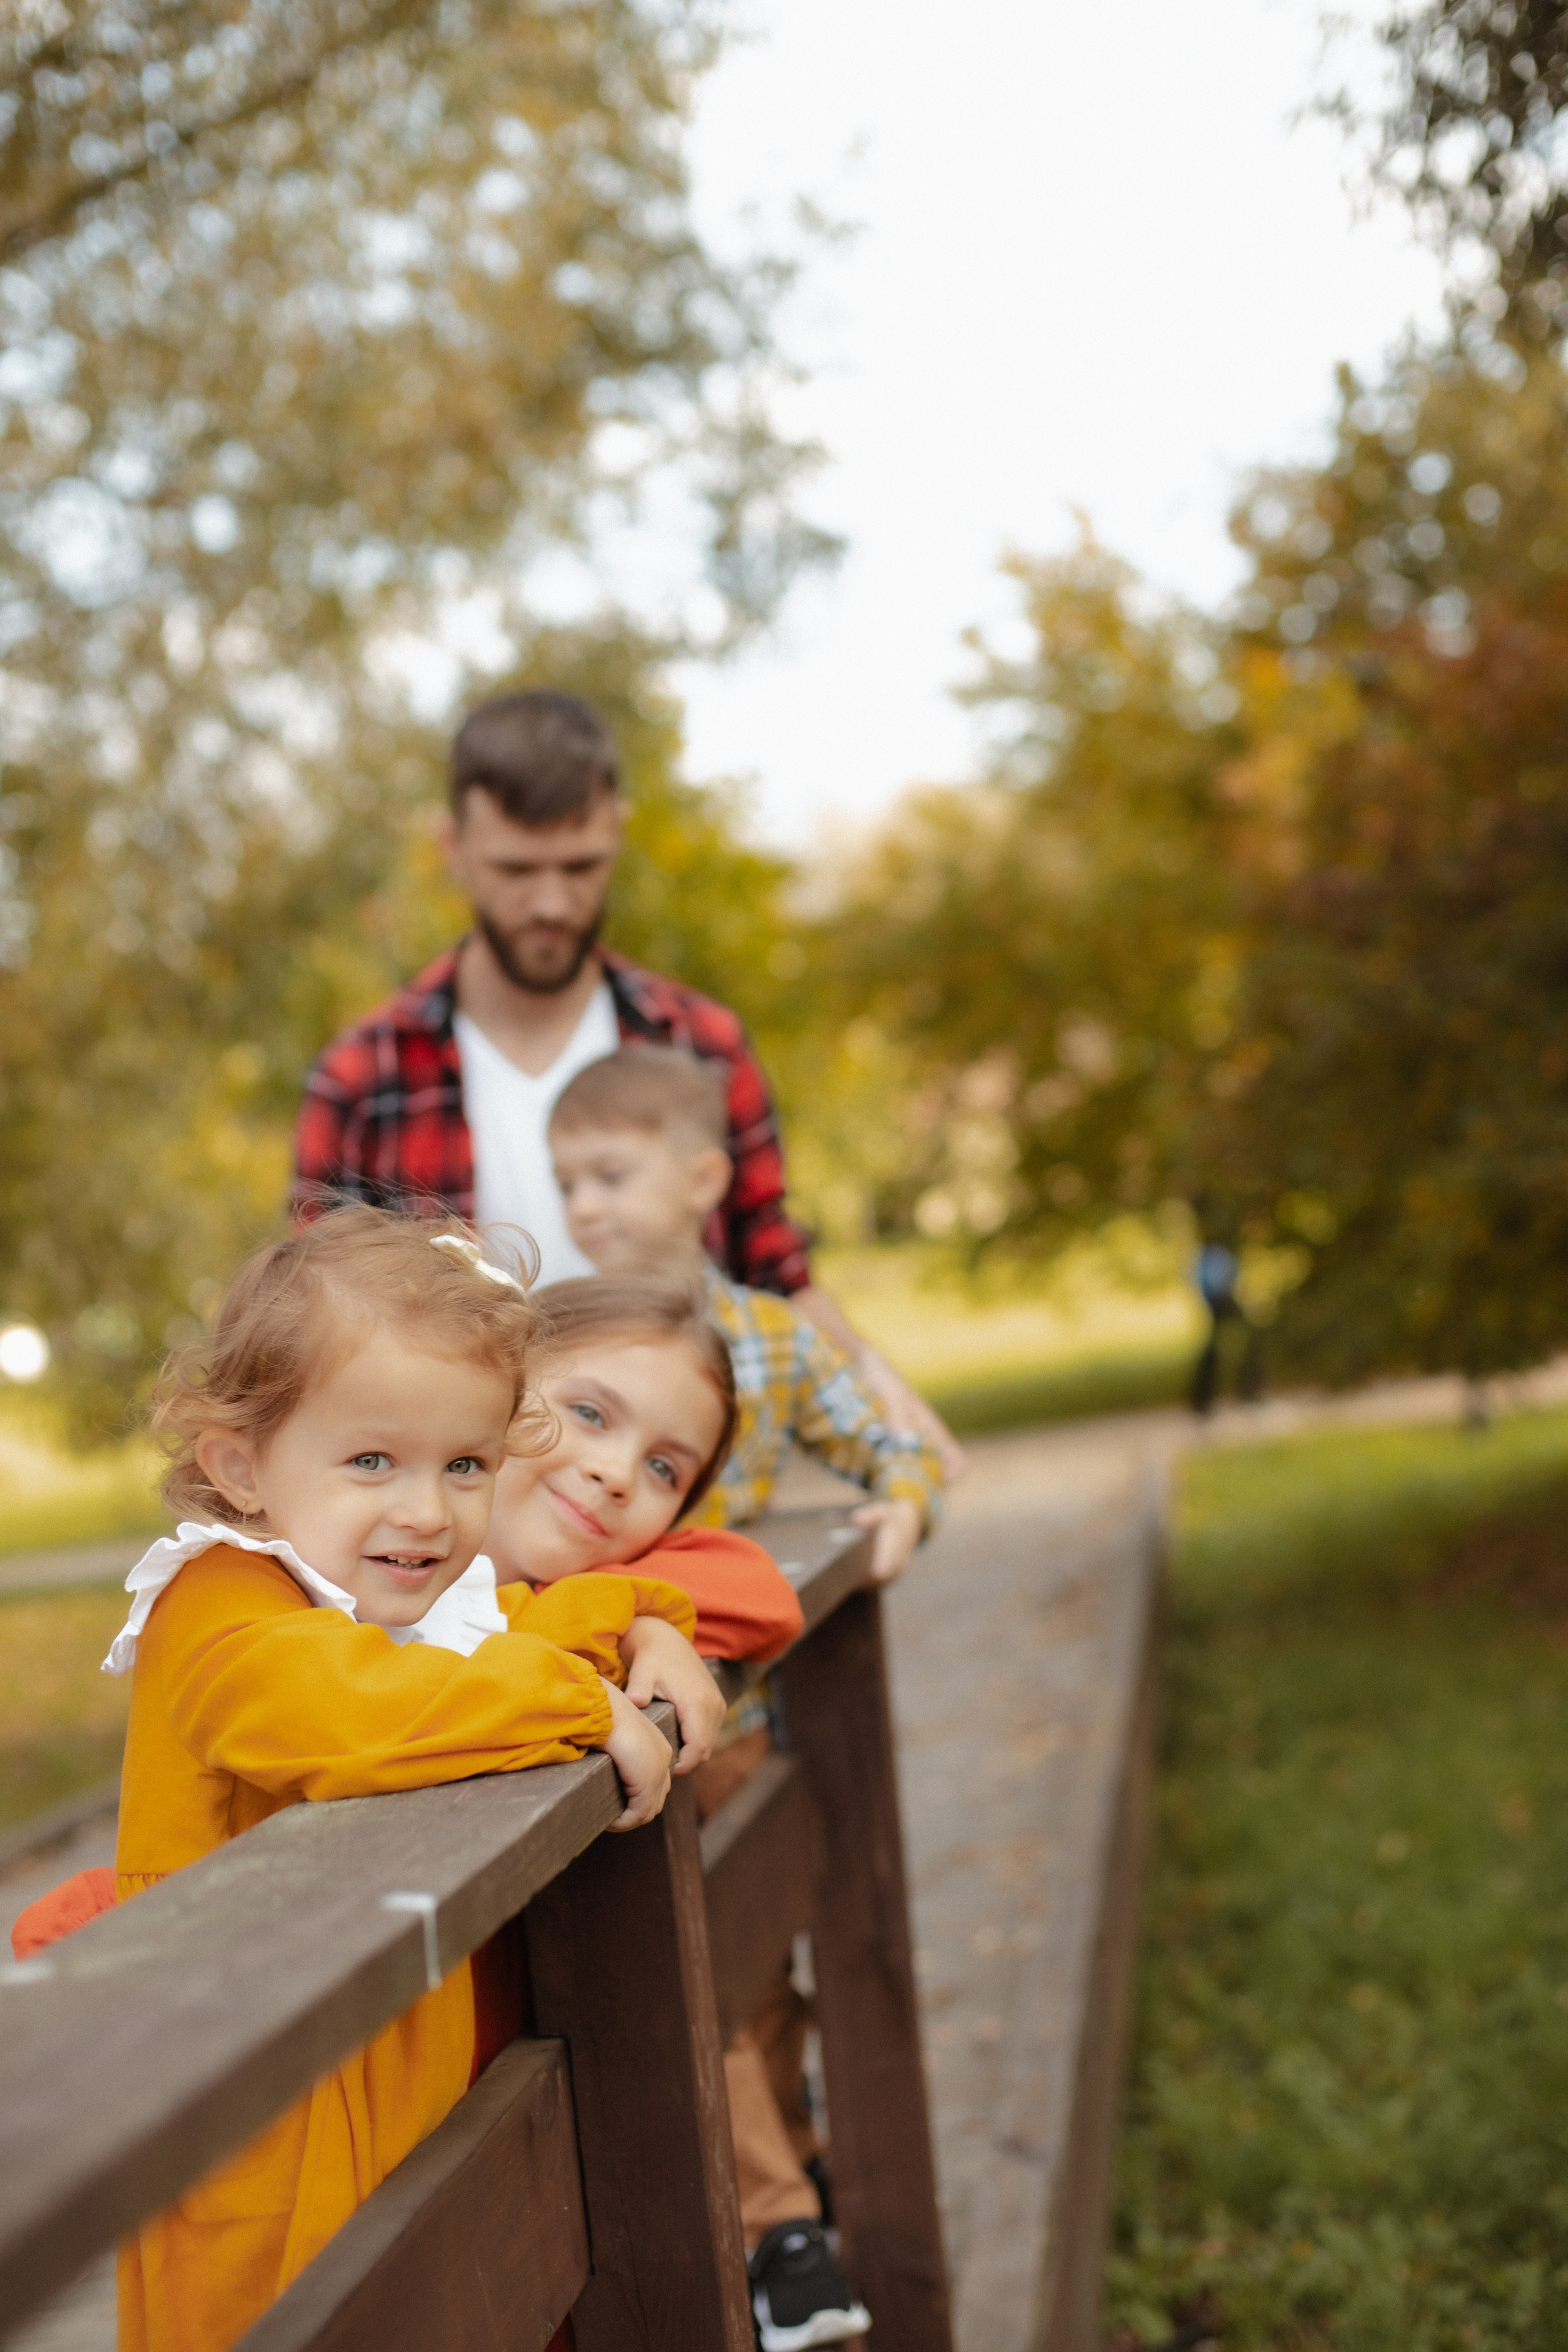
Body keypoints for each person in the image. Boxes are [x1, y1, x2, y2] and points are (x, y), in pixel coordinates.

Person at [56, 1208, 739, 2352]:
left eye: (465, 1465)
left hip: (402, 2091)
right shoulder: (219, 1603)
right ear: (241, 1465)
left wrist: (646, 1629)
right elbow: (345, 1709)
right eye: (373, 1459)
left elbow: (533, 1620)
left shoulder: (401, 1588)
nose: (427, 1510)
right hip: (258, 2132)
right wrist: (586, 1705)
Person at [291, 687, 962, 1476]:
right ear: (454, 847)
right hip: (466, 1513)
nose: (551, 902)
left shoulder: (699, 1044)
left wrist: (873, 1383)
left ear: (619, 832)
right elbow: (315, 1328)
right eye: (516, 869)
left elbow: (775, 1272)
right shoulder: (362, 1078)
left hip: (671, 1488)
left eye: (581, 867)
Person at [486, 1272, 876, 2351]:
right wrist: (633, 1626)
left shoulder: (587, 1582)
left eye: (663, 1467)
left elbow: (760, 1588)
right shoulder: (384, 1577)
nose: (615, 1472)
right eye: (590, 1412)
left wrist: (648, 1624)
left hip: (538, 2104)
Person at [546, 1043, 944, 1582]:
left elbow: (892, 1442)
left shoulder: (778, 1337)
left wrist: (905, 1506)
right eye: (566, 1185)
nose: (583, 1206)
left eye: (611, 1176)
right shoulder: (558, 1332)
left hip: (726, 1633)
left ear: (703, 1180)